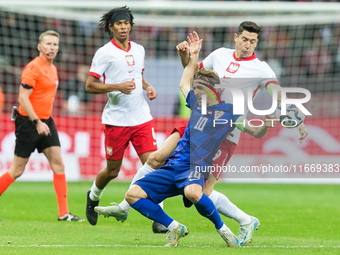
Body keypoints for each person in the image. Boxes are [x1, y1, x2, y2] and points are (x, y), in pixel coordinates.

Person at [123, 32, 275, 247]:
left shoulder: (228, 114)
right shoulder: (195, 102)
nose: (196, 90)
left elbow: (254, 131)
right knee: (133, 194)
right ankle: (174, 226)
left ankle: (225, 229)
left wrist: (265, 126)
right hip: (175, 165)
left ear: (214, 90)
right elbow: (184, 81)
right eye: (197, 87)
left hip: (195, 168)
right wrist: (193, 55)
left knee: (197, 192)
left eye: (201, 87)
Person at [0, 30, 84, 222]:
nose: (52, 47)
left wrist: (43, 121)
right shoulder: (33, 68)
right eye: (48, 44)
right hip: (29, 123)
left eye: (55, 44)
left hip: (46, 121)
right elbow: (23, 98)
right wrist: (36, 121)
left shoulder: (53, 68)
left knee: (58, 163)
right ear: (40, 47)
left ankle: (64, 214)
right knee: (17, 170)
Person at [85, 6, 157, 226]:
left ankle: (159, 220)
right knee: (112, 171)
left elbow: (138, 74)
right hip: (116, 120)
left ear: (131, 25)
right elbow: (90, 85)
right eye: (119, 24)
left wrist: (147, 86)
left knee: (153, 166)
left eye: (126, 23)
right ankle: (93, 197)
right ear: (111, 27)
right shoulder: (104, 52)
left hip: (141, 118)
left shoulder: (139, 49)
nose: (123, 27)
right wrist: (117, 86)